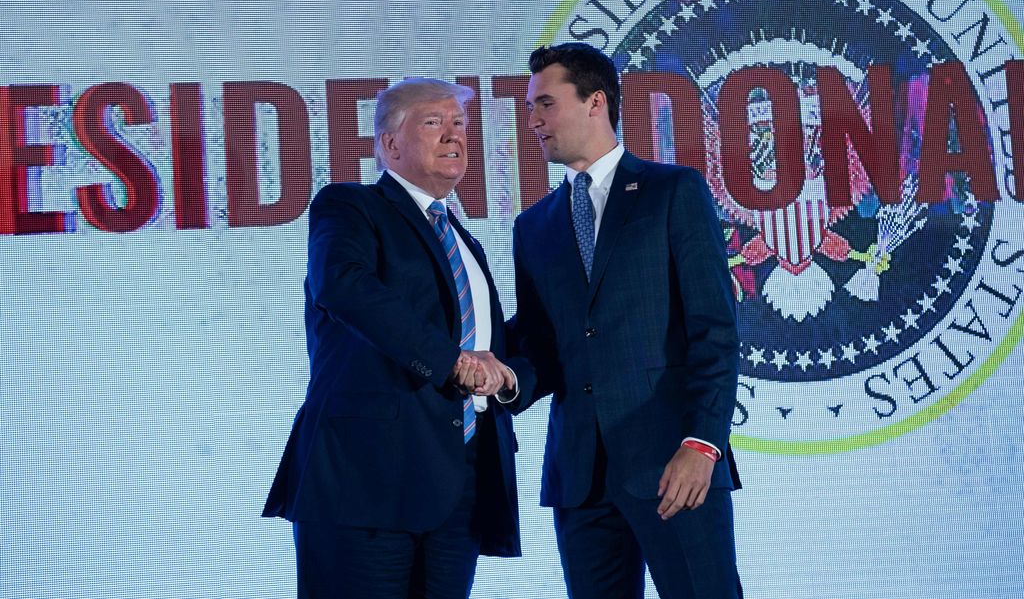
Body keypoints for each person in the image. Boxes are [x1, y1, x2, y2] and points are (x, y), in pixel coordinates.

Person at [263, 77, 524, 599]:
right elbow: (347, 287)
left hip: (460, 486)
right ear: (389, 144)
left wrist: (509, 378)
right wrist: (451, 361)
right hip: (366, 482)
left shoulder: (464, 240)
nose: (455, 135)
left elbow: (491, 347)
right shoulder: (349, 207)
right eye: (434, 123)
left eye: (460, 125)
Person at [509, 43, 743, 599]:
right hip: (580, 478)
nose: (532, 120)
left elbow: (715, 330)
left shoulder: (673, 192)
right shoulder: (533, 227)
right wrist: (494, 378)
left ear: (596, 102)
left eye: (545, 103)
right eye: (529, 107)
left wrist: (703, 444)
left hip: (674, 463)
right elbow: (545, 348)